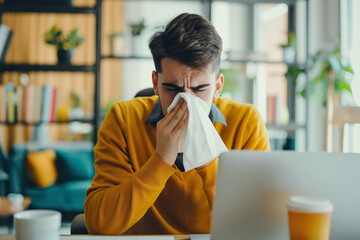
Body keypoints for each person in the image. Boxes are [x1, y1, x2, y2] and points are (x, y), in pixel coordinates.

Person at [84, 13, 270, 235]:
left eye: (200, 89)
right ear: (155, 83)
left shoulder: (246, 123)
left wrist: (207, 158)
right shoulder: (123, 119)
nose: (185, 102)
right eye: (172, 89)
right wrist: (161, 161)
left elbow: (256, 224)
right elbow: (100, 223)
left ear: (218, 86)